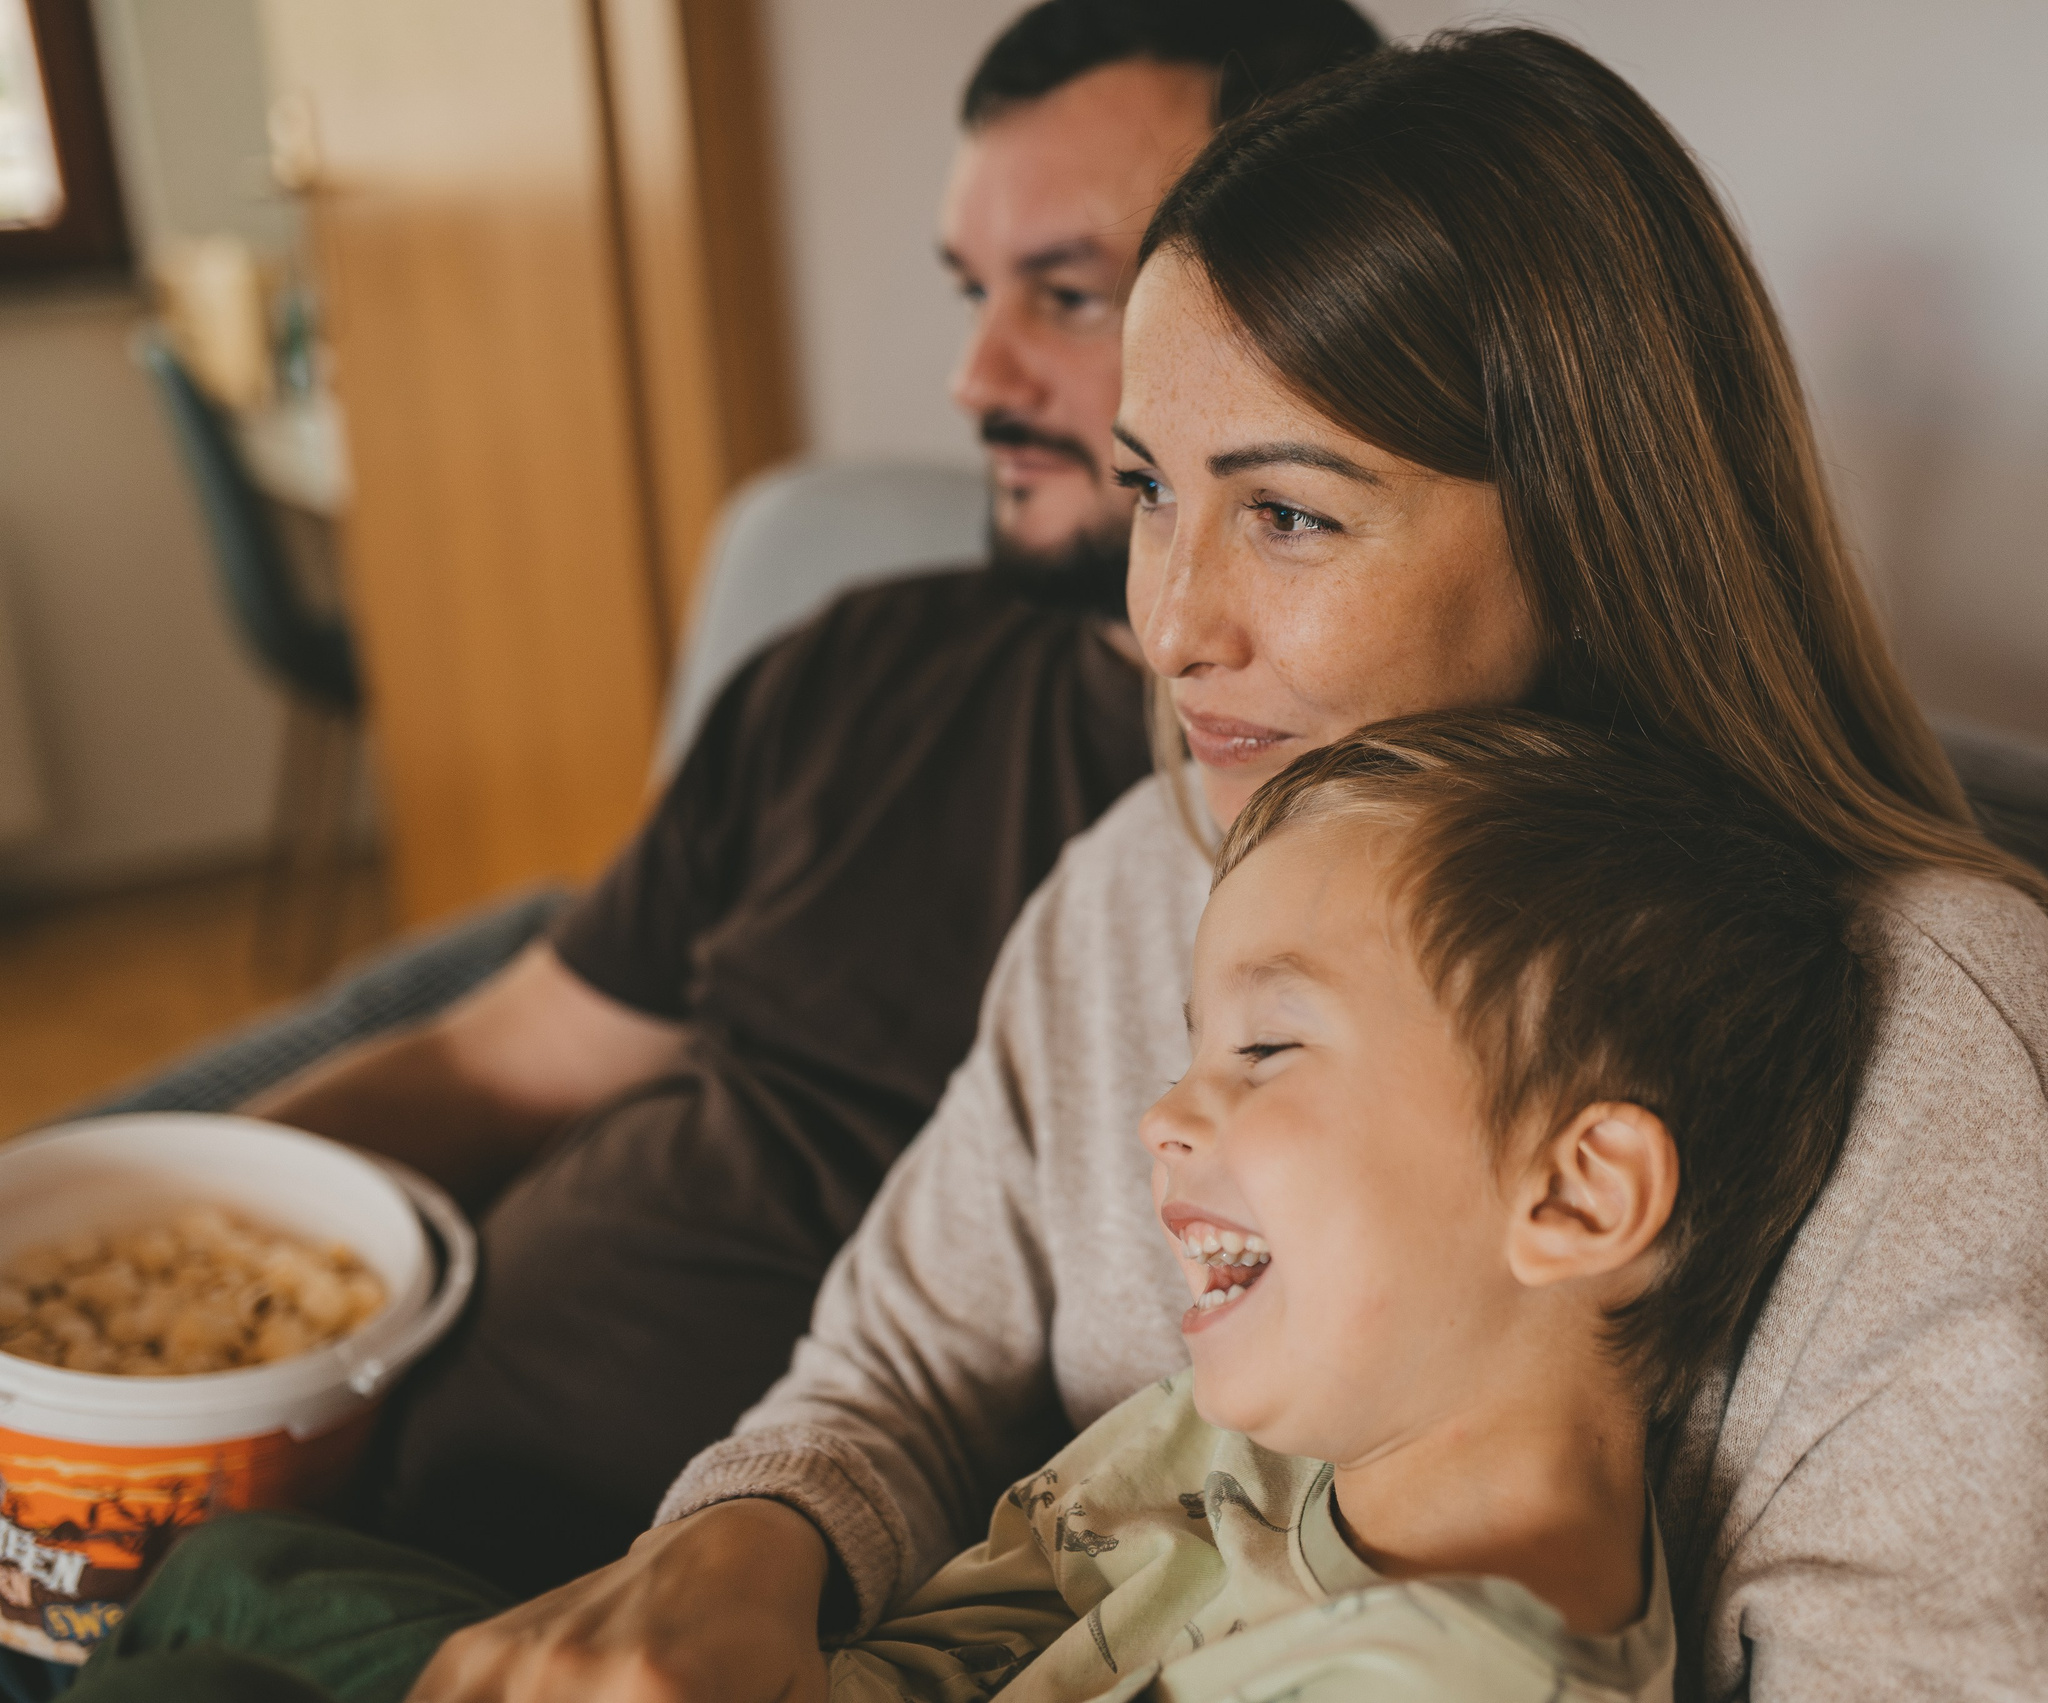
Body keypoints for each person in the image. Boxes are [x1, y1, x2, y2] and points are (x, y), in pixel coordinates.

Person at [410, 25, 2048, 1703]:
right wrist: (736, 1555)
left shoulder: (1922, 995)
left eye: (1291, 514)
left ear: (1588, 520)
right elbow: (893, 1365)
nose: (1166, 626)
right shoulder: (1153, 859)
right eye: (1151, 490)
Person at [201, 0, 1385, 1599]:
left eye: (1066, 292)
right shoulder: (860, 665)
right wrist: (191, 1218)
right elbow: (503, 1054)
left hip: (623, 1595)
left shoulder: (1327, 856)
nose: (975, 375)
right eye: (974, 292)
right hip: (315, 1467)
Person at [65, 710, 1877, 1703]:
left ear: (1572, 1191)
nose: (1167, 1114)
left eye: (1266, 1048)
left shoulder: (1444, 1681)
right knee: (237, 1568)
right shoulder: (1299, 1428)